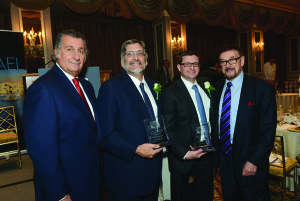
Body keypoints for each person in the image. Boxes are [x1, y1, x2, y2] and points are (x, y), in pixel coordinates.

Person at [23, 29, 102, 201]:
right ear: (56, 53)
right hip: (66, 185)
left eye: (81, 51)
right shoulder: (43, 89)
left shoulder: (86, 86)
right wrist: (60, 194)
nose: (76, 56)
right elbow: (42, 151)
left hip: (90, 179)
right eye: (69, 49)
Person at [97, 39, 163, 201]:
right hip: (126, 176)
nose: (135, 57)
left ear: (146, 60)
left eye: (139, 53)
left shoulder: (154, 85)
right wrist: (135, 148)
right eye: (129, 54)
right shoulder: (111, 87)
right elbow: (106, 133)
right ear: (122, 61)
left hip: (153, 172)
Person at [212, 44, 276, 201]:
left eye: (232, 60)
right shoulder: (217, 88)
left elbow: (268, 131)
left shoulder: (261, 88)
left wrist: (254, 160)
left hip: (250, 160)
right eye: (223, 62)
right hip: (225, 159)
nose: (228, 65)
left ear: (242, 61)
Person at [161, 50, 214, 201]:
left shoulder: (206, 85)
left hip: (206, 153)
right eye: (187, 64)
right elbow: (168, 129)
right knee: (181, 196)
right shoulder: (170, 93)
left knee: (206, 194)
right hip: (183, 156)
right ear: (179, 67)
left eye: (195, 64)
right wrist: (184, 153)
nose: (192, 67)